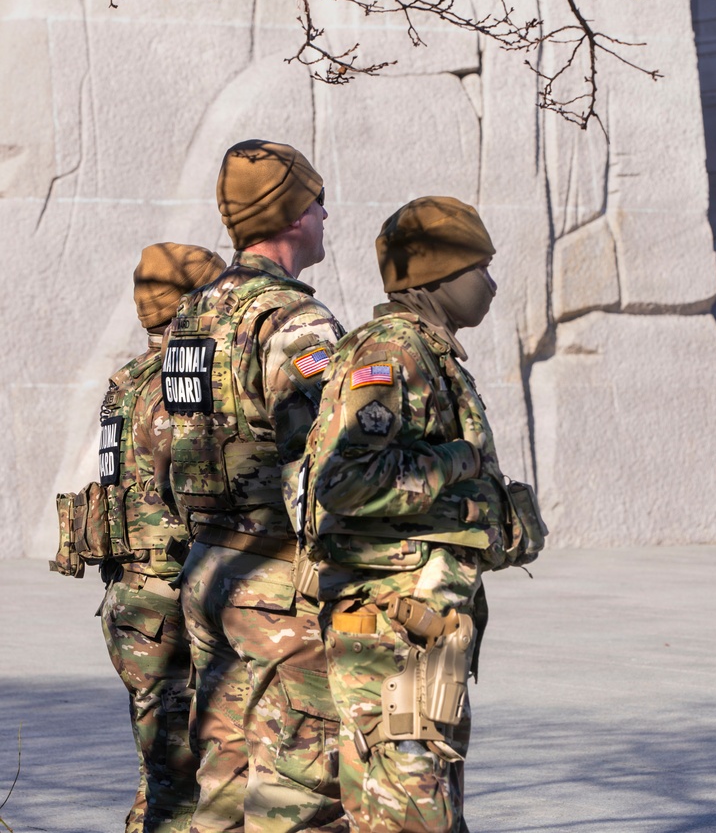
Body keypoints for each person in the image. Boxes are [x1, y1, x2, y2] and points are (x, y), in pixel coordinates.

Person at [298, 196, 544, 832]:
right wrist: (458, 462)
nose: (491, 284)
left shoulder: (430, 352)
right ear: (434, 275)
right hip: (389, 632)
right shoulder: (394, 353)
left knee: (425, 812)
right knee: (409, 817)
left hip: (420, 630)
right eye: (480, 268)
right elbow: (344, 481)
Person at [164, 139, 347, 832]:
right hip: (276, 584)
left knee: (224, 792)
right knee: (302, 797)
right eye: (318, 200)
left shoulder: (193, 316)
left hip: (209, 567)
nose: (328, 214)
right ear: (293, 214)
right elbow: (328, 464)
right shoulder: (294, 321)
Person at [50, 242, 225, 833]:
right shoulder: (182, 383)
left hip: (132, 597)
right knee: (183, 784)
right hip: (171, 594)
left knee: (160, 775)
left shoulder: (125, 381)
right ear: (192, 303)